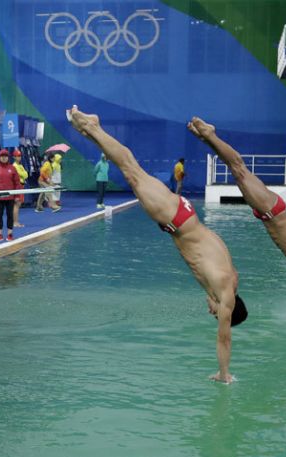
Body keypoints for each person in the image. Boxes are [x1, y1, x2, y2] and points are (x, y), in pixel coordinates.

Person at [67, 105, 248, 384]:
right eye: (217, 314)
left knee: (132, 170)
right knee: (131, 170)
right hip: (175, 219)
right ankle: (92, 126)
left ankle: (92, 130)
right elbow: (224, 339)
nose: (211, 312)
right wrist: (224, 374)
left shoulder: (230, 279)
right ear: (229, 308)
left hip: (185, 215)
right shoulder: (225, 293)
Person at [187, 117, 286, 319]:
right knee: (239, 169)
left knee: (237, 171)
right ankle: (210, 134)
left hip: (268, 213)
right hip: (273, 210)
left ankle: (206, 138)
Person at [0, 148, 22, 242]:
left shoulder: (12, 168)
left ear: (8, 157)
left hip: (10, 197)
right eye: (2, 156)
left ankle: (10, 234)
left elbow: (17, 183)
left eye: (5, 156)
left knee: (10, 216)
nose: (4, 158)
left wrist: (17, 196)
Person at [12, 149, 28, 227]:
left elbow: (26, 175)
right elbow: (23, 174)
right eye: (17, 156)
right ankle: (15, 222)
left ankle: (15, 221)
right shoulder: (14, 166)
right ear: (14, 157)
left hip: (21, 186)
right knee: (16, 204)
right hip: (17, 186)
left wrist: (23, 174)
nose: (19, 157)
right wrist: (23, 174)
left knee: (18, 204)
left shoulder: (20, 165)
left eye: (20, 156)